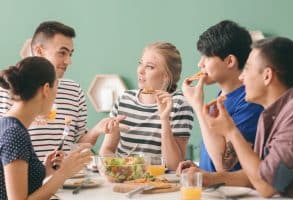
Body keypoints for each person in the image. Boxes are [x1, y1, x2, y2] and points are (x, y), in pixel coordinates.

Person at [178, 37, 293, 198]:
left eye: (247, 69)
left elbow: (267, 185)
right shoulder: (270, 114)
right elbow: (257, 173)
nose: (242, 78)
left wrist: (230, 131)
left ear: (267, 76)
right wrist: (207, 177)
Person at [0, 21, 103, 161]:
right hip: (26, 180)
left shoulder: (74, 90)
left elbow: (77, 144)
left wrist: (97, 130)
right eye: (62, 53)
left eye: (70, 54)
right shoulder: (8, 90)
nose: (68, 61)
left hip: (65, 179)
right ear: (39, 51)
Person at [0, 56, 92, 200]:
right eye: (56, 87)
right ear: (46, 89)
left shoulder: (9, 125)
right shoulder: (15, 133)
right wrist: (63, 174)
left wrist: (45, 170)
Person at [181, 20, 263, 172]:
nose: (200, 64)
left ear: (230, 61)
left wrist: (198, 107)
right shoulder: (221, 97)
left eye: (207, 57)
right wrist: (201, 169)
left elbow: (224, 167)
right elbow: (215, 158)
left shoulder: (249, 103)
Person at [99, 42, 194, 170]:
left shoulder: (179, 104)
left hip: (161, 184)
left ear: (166, 76)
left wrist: (164, 119)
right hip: (124, 178)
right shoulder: (124, 99)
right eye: (140, 63)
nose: (140, 70)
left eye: (149, 67)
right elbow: (107, 150)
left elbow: (174, 165)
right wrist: (124, 168)